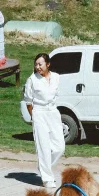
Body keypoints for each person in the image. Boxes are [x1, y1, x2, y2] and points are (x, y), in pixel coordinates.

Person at [22, 52, 63, 188]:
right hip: (39, 112)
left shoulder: (56, 77)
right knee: (43, 146)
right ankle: (47, 178)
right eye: (36, 64)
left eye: (40, 64)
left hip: (53, 112)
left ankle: (44, 167)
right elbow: (28, 101)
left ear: (48, 64)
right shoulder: (32, 80)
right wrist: (34, 116)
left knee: (59, 147)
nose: (38, 67)